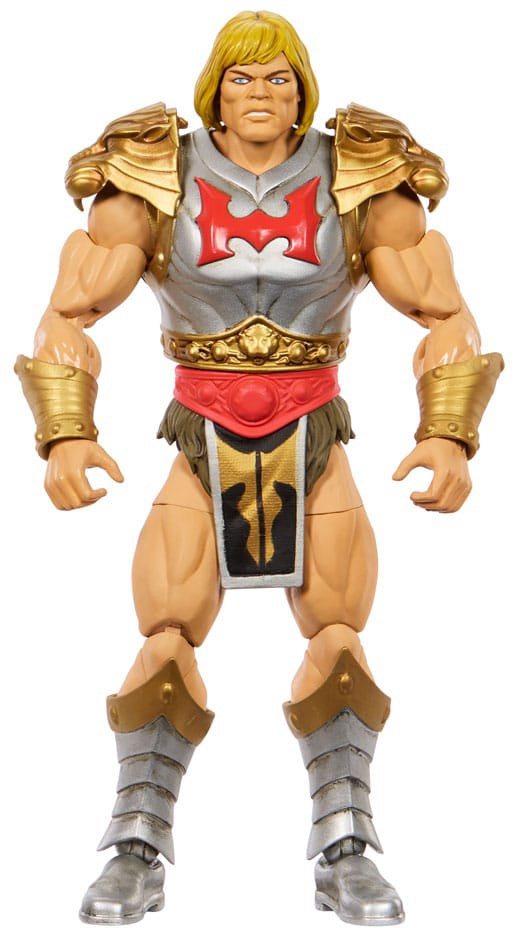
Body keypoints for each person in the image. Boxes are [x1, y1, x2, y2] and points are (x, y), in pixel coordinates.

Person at [15, 10, 503, 927]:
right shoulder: (153, 169)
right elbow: (67, 310)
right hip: (198, 429)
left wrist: (449, 432)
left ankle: (347, 852)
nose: (261, 94)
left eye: (279, 78)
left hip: (314, 428)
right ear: (214, 89)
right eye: (242, 78)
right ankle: (135, 849)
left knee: (341, 646)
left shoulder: (360, 169)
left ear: (302, 90)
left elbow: (445, 311)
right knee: (165, 641)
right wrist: (66, 432)